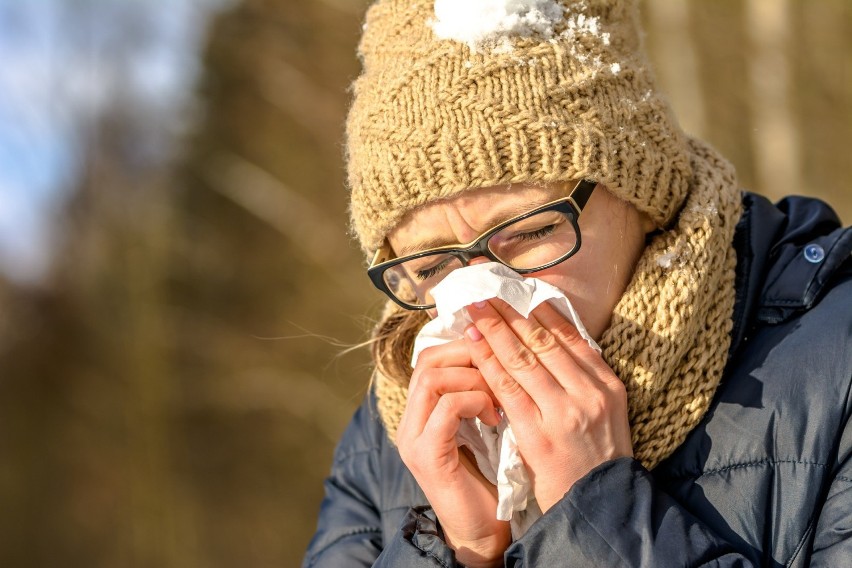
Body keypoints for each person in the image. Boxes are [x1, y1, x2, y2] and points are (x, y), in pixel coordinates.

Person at [303, 0, 852, 566]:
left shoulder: (838, 374)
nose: (481, 300)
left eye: (530, 230)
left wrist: (593, 517)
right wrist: (461, 552)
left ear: (644, 196)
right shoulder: (390, 436)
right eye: (431, 268)